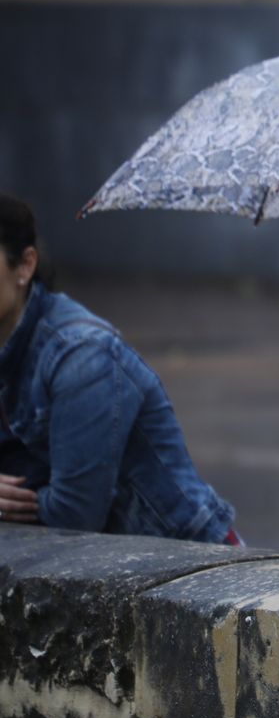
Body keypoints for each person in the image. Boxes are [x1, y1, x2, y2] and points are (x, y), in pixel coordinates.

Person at [0, 193, 237, 542]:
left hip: (190, 559)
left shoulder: (82, 355)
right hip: (100, 564)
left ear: (25, 265)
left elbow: (73, 517)